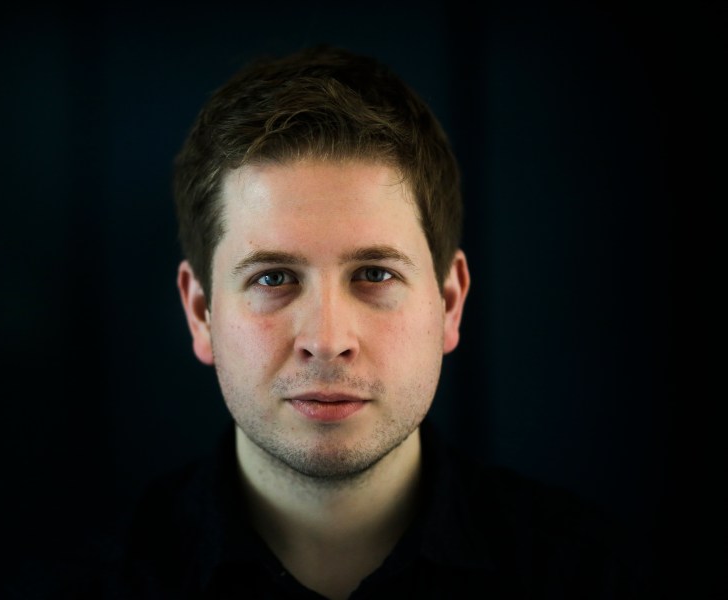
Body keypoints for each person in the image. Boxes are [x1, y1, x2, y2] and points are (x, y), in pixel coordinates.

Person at [127, 45, 641, 599]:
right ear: (201, 313)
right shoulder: (76, 583)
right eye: (273, 278)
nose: (326, 342)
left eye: (374, 273)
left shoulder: (599, 575)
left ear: (450, 303)